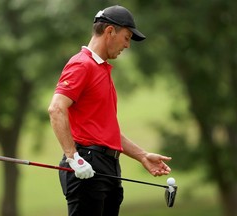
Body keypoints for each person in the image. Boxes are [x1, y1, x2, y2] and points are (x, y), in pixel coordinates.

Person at [48, 5, 172, 216]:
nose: (127, 45)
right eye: (127, 37)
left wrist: (142, 156)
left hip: (107, 166)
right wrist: (73, 158)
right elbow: (56, 109)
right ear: (109, 31)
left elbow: (105, 130)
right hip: (87, 164)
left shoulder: (100, 69)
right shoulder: (82, 65)